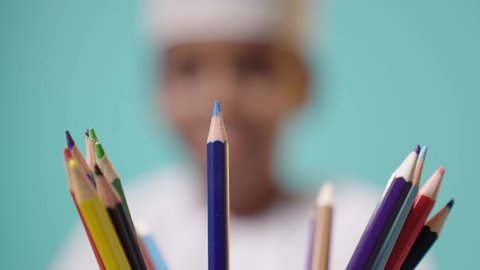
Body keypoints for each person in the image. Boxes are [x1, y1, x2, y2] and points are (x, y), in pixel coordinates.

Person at [52, 0, 435, 269]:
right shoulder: (119, 222)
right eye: (188, 70)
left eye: (254, 67)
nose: (222, 96)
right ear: (157, 92)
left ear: (303, 85)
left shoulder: (367, 226)